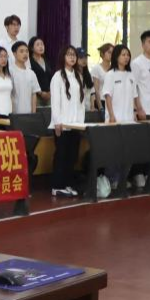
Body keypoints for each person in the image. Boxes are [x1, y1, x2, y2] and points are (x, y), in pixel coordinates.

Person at [49, 46, 86, 198]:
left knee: (72, 156)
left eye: (74, 55)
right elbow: (55, 102)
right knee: (61, 155)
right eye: (69, 55)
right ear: (63, 57)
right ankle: (57, 186)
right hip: (62, 124)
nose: (72, 57)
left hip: (75, 124)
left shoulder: (78, 76)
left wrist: (81, 122)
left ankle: (67, 184)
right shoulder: (58, 76)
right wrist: (57, 122)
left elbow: (81, 103)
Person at [102, 44, 139, 124]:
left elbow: (134, 96)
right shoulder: (110, 74)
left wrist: (134, 112)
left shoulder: (131, 75)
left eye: (128, 55)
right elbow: (108, 97)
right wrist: (111, 115)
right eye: (123, 55)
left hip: (129, 119)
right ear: (116, 57)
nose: (126, 57)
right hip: (114, 119)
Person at [10, 41, 40, 114]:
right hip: (15, 114)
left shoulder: (31, 73)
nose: (25, 54)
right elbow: (9, 94)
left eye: (27, 51)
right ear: (14, 54)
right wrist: (12, 113)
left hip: (29, 114)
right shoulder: (10, 71)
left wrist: (33, 113)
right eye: (21, 51)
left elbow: (34, 94)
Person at [28, 36, 52, 103]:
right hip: (35, 95)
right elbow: (30, 80)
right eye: (38, 45)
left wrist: (50, 92)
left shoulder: (46, 60)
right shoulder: (29, 62)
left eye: (42, 44)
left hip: (48, 95)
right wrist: (40, 93)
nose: (41, 47)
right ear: (32, 48)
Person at [91, 43, 113, 111]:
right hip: (101, 100)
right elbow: (96, 89)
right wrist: (100, 107)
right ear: (102, 54)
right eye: (109, 52)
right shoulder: (97, 68)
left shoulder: (114, 69)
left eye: (112, 53)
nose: (111, 54)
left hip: (112, 101)